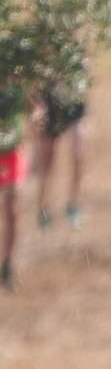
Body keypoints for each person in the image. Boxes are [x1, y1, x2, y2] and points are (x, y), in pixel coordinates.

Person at [33, 76, 88, 233]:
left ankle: (73, 205)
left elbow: (85, 67)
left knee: (79, 154)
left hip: (73, 95)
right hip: (49, 98)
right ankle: (43, 206)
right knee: (49, 160)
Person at [0, 98, 25, 292]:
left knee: (12, 212)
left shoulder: (16, 73)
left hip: (11, 152)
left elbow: (34, 105)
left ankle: (7, 266)